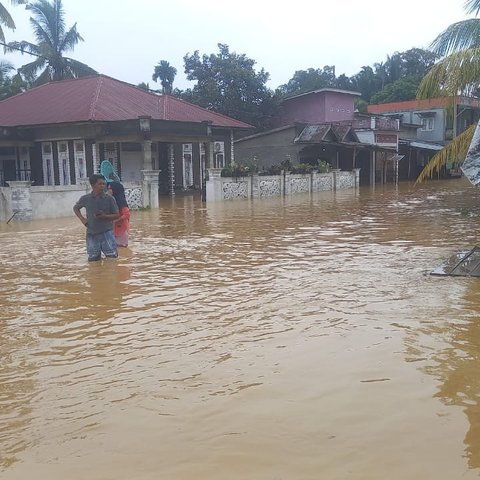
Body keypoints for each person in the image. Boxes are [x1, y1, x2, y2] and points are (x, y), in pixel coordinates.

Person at [73, 174, 120, 262]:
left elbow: (117, 215)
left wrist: (105, 216)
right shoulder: (85, 198)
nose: (103, 186)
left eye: (103, 184)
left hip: (107, 233)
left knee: (112, 259)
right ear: (93, 185)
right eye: (100, 184)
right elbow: (76, 208)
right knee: (93, 260)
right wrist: (83, 219)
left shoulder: (109, 198)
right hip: (92, 233)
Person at [107, 180, 130, 247]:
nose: (109, 190)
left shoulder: (121, 201)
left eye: (110, 189)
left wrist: (116, 220)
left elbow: (127, 214)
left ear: (115, 190)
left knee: (121, 248)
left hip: (121, 229)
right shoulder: (111, 200)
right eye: (108, 189)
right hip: (113, 228)